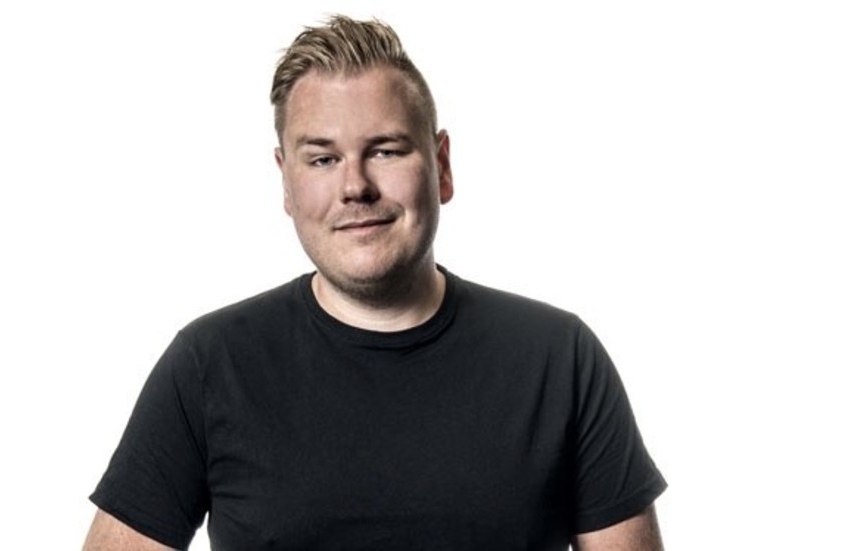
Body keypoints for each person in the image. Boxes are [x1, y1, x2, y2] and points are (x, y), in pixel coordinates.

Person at [83, 15, 666, 550]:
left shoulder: (558, 359)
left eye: (385, 151)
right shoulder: (210, 365)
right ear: (285, 181)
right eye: (322, 159)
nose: (355, 187)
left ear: (441, 165)